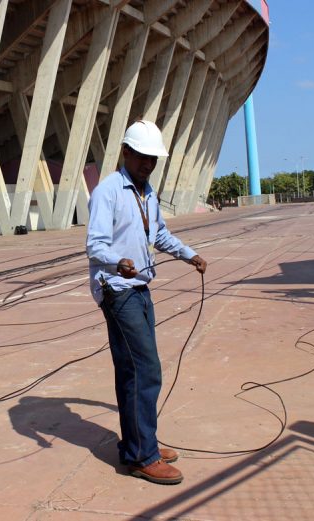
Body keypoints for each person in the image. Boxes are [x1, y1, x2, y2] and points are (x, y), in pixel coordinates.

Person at [86, 120, 207, 485]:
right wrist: (116, 262)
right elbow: (94, 244)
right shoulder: (108, 191)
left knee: (133, 371)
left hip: (140, 289)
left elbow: (161, 234)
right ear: (125, 152)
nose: (148, 164)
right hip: (117, 290)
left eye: (153, 159)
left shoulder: (147, 192)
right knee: (145, 369)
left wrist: (189, 255)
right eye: (142, 157)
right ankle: (143, 456)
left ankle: (140, 442)